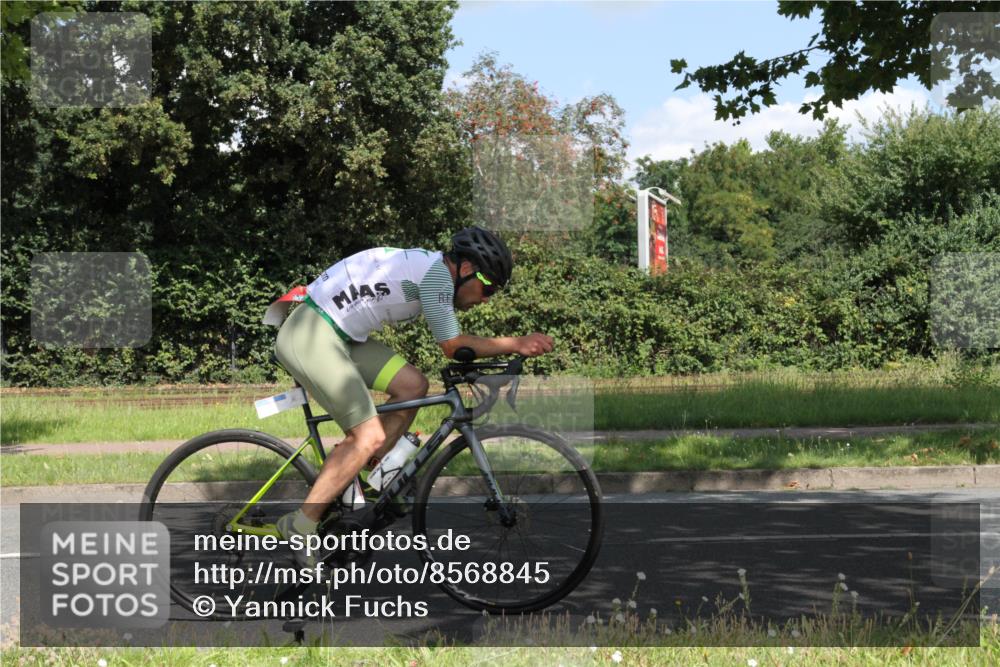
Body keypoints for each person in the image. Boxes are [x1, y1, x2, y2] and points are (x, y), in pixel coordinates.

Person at [273, 226, 553, 563]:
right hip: (310, 333)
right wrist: (516, 343)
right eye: (488, 287)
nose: (486, 298)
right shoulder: (437, 277)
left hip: (341, 334)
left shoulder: (434, 270)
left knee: (412, 386)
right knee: (367, 436)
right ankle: (301, 523)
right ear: (466, 269)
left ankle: (365, 474)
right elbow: (453, 346)